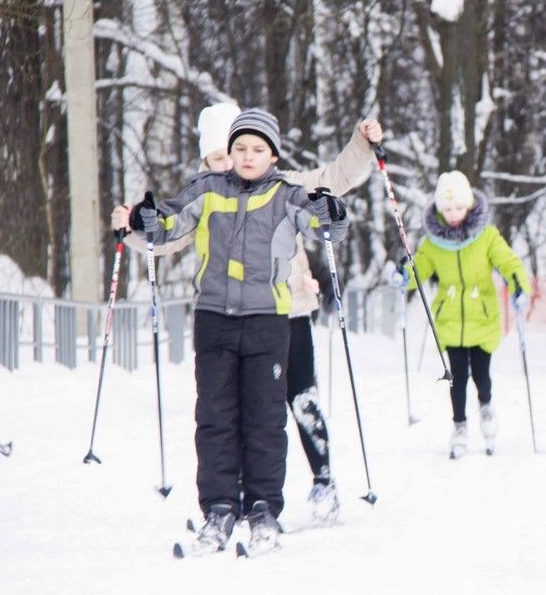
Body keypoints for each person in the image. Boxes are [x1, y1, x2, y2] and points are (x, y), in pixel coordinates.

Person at [114, 103, 382, 525]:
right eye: (221, 155)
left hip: (286, 308)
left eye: (242, 150)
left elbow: (333, 183)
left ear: (269, 153)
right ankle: (229, 499)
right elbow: (167, 235)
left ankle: (322, 478)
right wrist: (132, 228)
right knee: (230, 409)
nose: (235, 160)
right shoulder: (210, 192)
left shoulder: (285, 187)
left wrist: (361, 145)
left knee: (297, 398)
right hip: (226, 312)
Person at [398, 171, 530, 459]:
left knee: (481, 375)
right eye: (448, 209)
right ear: (439, 209)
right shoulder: (433, 243)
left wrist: (518, 283)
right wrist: (403, 275)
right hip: (450, 322)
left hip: (482, 318)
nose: (454, 214)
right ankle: (459, 426)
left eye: (458, 207)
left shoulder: (487, 236)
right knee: (456, 377)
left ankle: (486, 407)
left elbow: (507, 261)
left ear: (469, 205)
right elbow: (418, 269)